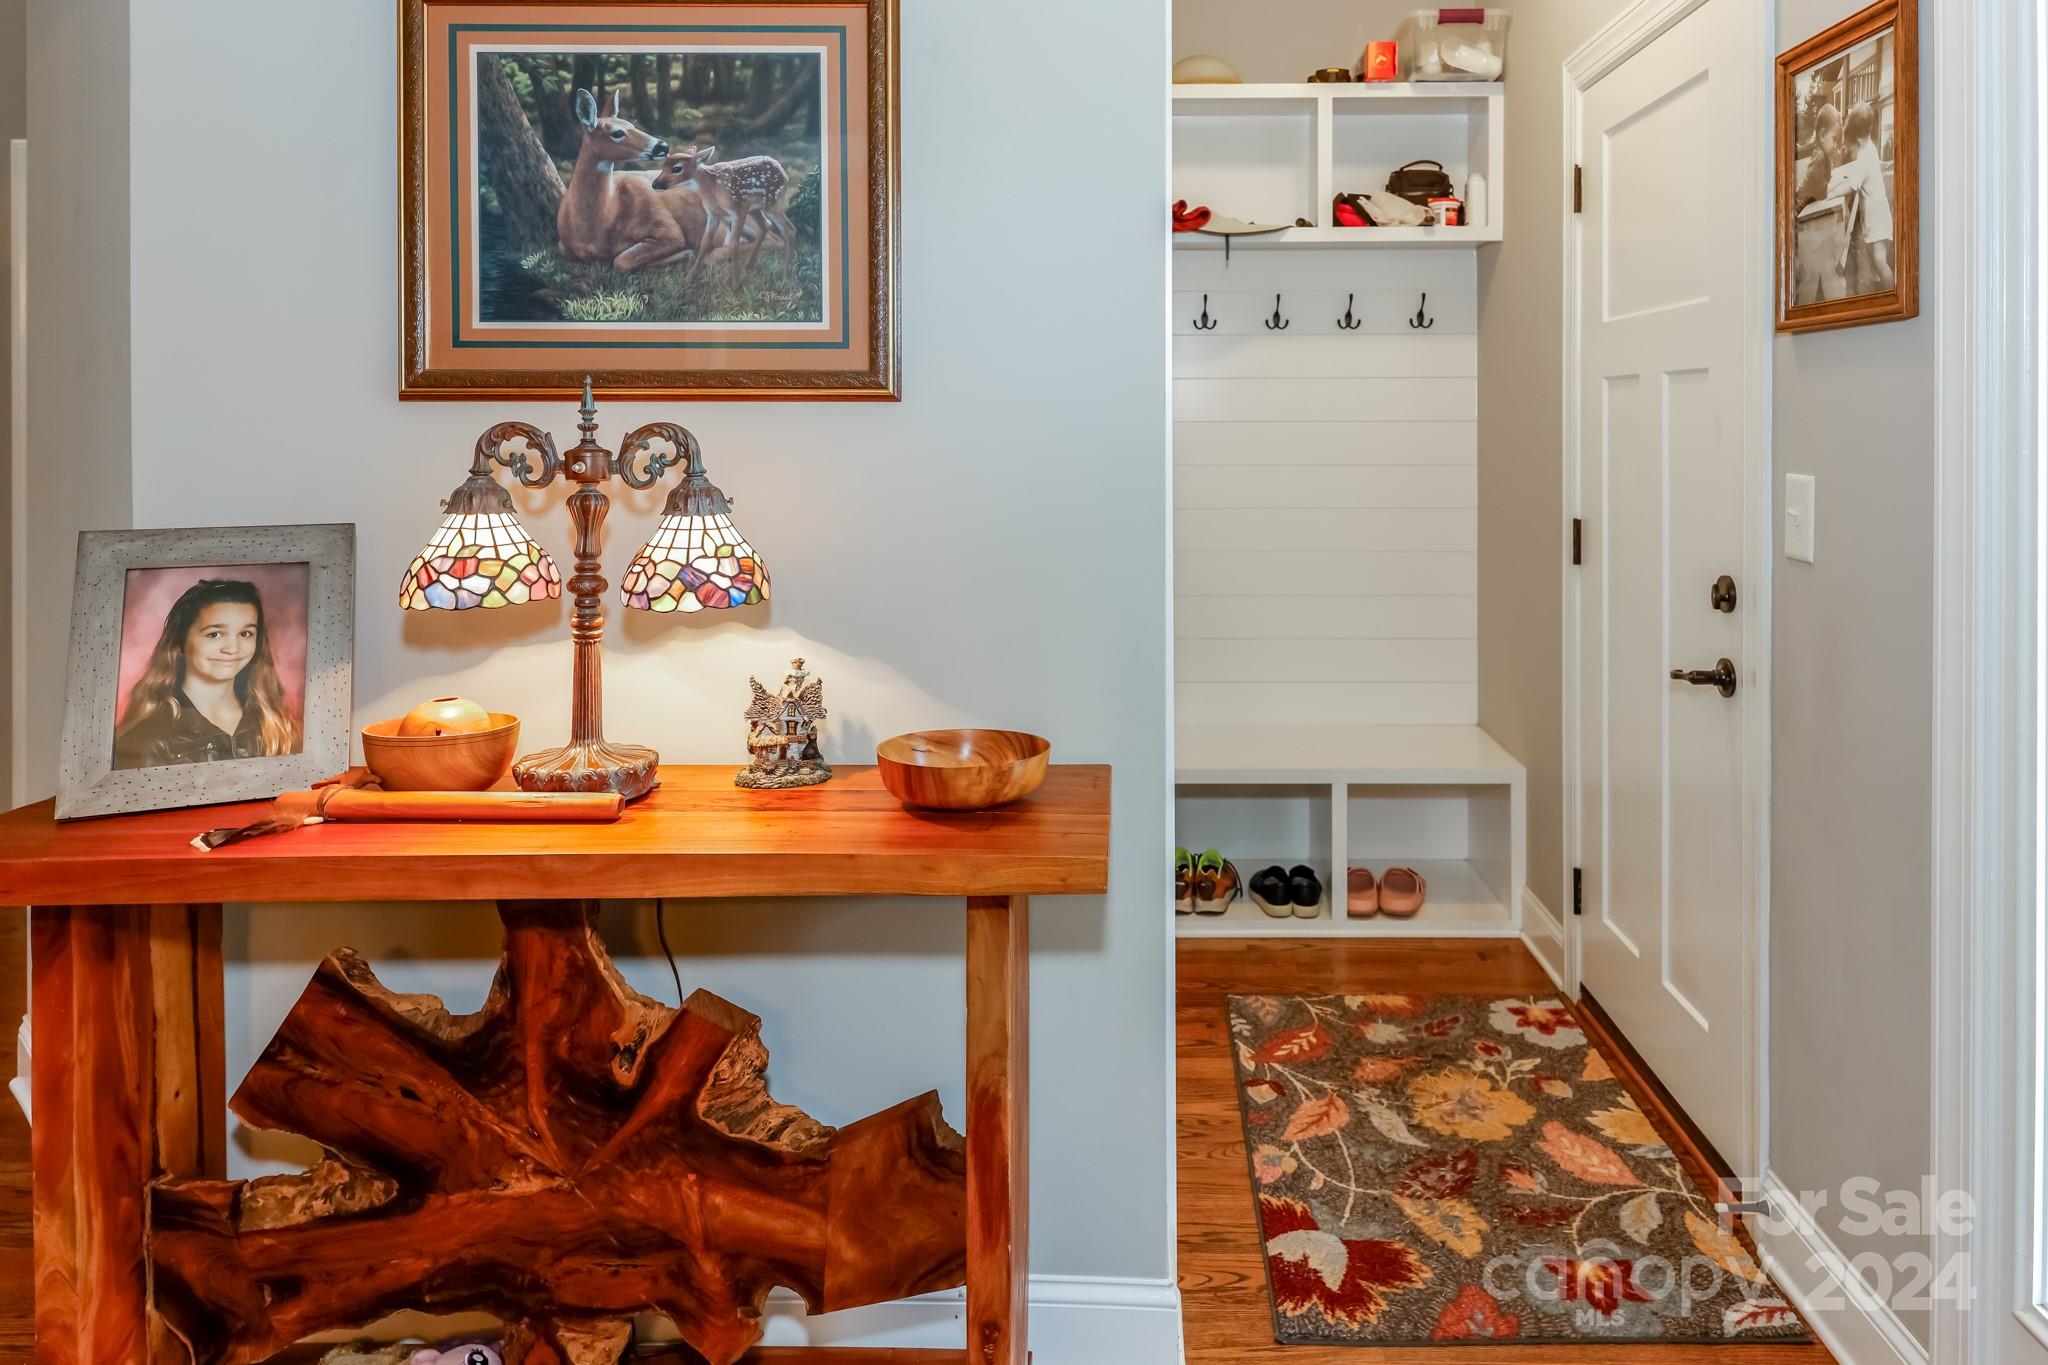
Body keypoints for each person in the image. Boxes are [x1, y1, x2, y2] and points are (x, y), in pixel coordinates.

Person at [112, 578, 303, 770]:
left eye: (245, 634)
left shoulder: (275, 724)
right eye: (215, 634)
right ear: (181, 641)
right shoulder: (149, 741)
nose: (232, 648)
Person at [1826, 100, 1895, 294]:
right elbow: (1854, 170)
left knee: (1880, 262)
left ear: (1856, 140)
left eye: (1850, 147)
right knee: (1877, 261)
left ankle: (1893, 294)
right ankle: (1886, 291)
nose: (1850, 152)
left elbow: (1852, 184)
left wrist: (1832, 192)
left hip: (1877, 219)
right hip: (1876, 217)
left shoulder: (1865, 156)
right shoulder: (1868, 150)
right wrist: (1838, 174)